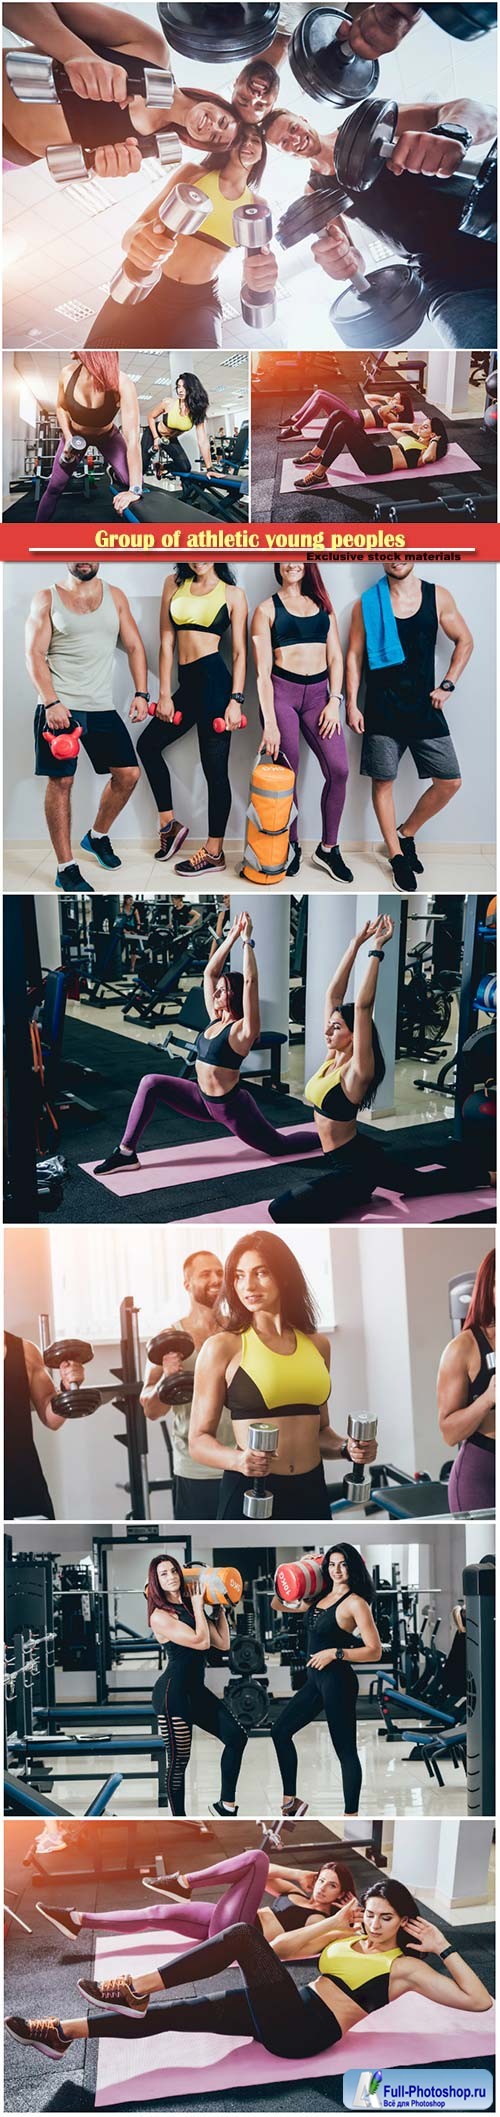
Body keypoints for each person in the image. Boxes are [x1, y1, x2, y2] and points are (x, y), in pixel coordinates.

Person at [11, 1877, 491, 2056]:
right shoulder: (354, 1932)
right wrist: (337, 1924)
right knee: (177, 2013)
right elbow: (280, 1951)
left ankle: (136, 1985)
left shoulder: (405, 1967)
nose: (375, 1923)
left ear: (406, 1921)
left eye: (387, 1918)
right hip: (284, 2007)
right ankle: (61, 2033)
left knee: (241, 1936)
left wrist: (445, 1946)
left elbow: (479, 2001)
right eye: (370, 1913)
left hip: (305, 2031)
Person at [94, 911, 319, 1178]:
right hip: (200, 1099)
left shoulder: (243, 1030)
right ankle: (125, 1152)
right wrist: (232, 936)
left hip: (231, 1108)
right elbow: (209, 972)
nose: (215, 992)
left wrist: (247, 942)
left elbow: (250, 982)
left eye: (223, 990)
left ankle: (326, 1137)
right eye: (218, 989)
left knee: (279, 1146)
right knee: (150, 1082)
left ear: (235, 995)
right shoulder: (214, 1018)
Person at [189, 1232, 377, 1522]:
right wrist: (239, 1460)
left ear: (285, 1276)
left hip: (311, 1489)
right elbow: (198, 1441)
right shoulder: (223, 1346)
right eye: (239, 1276)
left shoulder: (317, 1345)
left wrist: (346, 1448)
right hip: (251, 1490)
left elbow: (320, 1430)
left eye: (260, 1273)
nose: (247, 1286)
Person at [85, 126, 278, 350]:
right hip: (149, 286)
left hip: (198, 303)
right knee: (100, 354)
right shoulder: (193, 174)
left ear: (262, 152)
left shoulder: (257, 206)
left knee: (202, 360)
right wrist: (137, 243)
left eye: (255, 141)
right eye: (241, 139)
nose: (247, 144)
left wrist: (262, 281)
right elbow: (135, 229)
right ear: (228, 144)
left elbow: (256, 270)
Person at [346, 558, 471, 893]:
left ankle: (407, 832)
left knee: (450, 781)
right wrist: (351, 703)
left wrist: (448, 684)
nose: (396, 556)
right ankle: (397, 855)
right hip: (381, 708)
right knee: (383, 782)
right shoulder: (368, 604)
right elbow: (354, 656)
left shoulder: (437, 597)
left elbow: (465, 640)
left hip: (423, 706)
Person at [25, 559, 148, 893]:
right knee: (62, 781)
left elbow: (135, 646)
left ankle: (96, 836)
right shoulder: (47, 598)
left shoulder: (116, 596)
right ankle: (66, 868)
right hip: (60, 706)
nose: (84, 557)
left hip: (101, 707)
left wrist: (141, 692)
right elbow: (34, 654)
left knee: (128, 774)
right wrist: (51, 701)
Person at [3, 5, 239, 171]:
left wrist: (98, 165)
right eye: (223, 121)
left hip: (10, 155)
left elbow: (82, 161)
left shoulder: (146, 147)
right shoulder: (151, 48)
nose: (212, 128)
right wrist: (77, 54)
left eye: (214, 138)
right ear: (217, 102)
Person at [270, 914, 392, 1225]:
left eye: (335, 1027)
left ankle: (488, 1176)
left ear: (355, 1035)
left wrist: (376, 950)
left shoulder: (357, 1071)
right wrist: (354, 944)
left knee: (281, 1210)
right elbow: (333, 996)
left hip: (354, 1165)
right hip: (351, 1154)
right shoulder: (331, 1057)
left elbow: (363, 1006)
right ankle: (356, 1193)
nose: (327, 1031)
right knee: (417, 1181)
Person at [135, 560, 247, 873]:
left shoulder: (234, 595)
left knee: (215, 771)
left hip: (215, 685)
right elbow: (167, 641)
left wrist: (236, 700)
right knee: (148, 745)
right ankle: (169, 825)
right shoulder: (173, 583)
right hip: (185, 686)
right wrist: (164, 694)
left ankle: (214, 851)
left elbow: (238, 653)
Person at [251, 560, 351, 885]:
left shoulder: (323, 606)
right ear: (277, 565)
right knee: (287, 774)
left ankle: (328, 848)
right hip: (283, 695)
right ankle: (289, 844)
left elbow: (335, 656)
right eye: (285, 557)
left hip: (320, 698)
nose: (293, 562)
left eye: (299, 556)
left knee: (339, 770)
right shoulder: (266, 610)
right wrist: (269, 723)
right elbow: (262, 674)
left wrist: (335, 701)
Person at [272, 1544, 381, 1815]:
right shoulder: (319, 1596)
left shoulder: (356, 1603)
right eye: (332, 1564)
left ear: (352, 1567)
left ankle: (351, 1814)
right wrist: (297, 1570)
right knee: (280, 1731)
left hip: (338, 1682)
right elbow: (278, 1603)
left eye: (343, 1564)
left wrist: (336, 1653)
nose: (337, 1570)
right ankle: (290, 1802)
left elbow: (374, 1651)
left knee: (344, 1750)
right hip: (314, 1682)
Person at [146, 1554, 247, 1818]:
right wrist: (199, 1606)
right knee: (179, 1763)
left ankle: (226, 1806)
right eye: (163, 1574)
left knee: (237, 1738)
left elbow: (223, 1643)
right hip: (172, 1694)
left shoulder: (192, 1606)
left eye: (173, 1571)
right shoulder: (160, 1616)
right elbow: (201, 1642)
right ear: (156, 1582)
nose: (171, 1577)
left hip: (196, 1691)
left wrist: (220, 1608)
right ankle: (179, 1820)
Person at [140, 1248, 234, 1520]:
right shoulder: (169, 1337)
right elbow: (151, 1409)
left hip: (240, 1463)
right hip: (196, 1469)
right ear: (187, 1284)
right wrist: (167, 1380)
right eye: (206, 1274)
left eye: (220, 1273)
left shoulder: (238, 1332)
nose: (216, 1279)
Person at [37, 1844, 272, 1947]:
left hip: (240, 1932)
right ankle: (77, 1920)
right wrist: (301, 1877)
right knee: (156, 1912)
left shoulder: (310, 1918)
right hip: (226, 1918)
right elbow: (270, 1877)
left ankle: (183, 1883)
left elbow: (299, 1943)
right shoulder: (299, 1890)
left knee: (257, 1858)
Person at [36, 352, 143, 522]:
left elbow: (132, 438)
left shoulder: (122, 382)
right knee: (55, 487)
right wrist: (69, 437)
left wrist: (135, 489)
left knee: (132, 481)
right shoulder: (67, 373)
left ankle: (115, 473)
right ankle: (33, 534)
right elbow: (61, 408)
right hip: (75, 437)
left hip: (107, 437)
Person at [438, 1249, 495, 1513]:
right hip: (483, 1473)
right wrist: (488, 1399)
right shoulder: (463, 1347)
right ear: (490, 1289)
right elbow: (449, 1432)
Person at [4, 1331, 75, 1519]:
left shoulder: (24, 1351)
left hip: (22, 1481)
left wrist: (69, 1388)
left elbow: (51, 1417)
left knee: (37, 1546)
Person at [294, 408, 449, 491]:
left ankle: (319, 474)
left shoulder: (426, 450)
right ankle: (316, 454)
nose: (422, 426)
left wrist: (435, 440)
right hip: (374, 452)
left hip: (375, 464)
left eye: (426, 426)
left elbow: (428, 458)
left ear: (433, 434)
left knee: (344, 427)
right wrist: (410, 426)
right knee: (339, 415)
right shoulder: (411, 439)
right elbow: (391, 426)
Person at [278, 381, 419, 443]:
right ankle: (296, 418)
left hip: (353, 420)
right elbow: (367, 397)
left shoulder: (394, 420)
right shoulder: (389, 407)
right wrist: (385, 398)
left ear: (402, 406)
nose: (393, 400)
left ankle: (296, 429)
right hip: (352, 412)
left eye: (396, 399)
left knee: (320, 398)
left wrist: (393, 407)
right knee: (320, 392)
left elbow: (382, 411)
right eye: (393, 397)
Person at [257, 1856, 359, 1940]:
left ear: (341, 1894)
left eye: (332, 1885)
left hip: (253, 1933)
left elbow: (351, 1936)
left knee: (254, 1857)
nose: (322, 1888)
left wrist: (355, 1914)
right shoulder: (294, 1892)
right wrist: (298, 1874)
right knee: (254, 1860)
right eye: (321, 1880)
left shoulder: (319, 1920)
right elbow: (259, 1871)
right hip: (247, 1917)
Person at [143, 371, 213, 483]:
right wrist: (156, 438)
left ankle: (161, 467)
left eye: (184, 387)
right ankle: (129, 485)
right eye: (178, 386)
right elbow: (151, 417)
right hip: (153, 433)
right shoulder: (168, 403)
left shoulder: (196, 411)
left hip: (169, 439)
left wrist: (210, 468)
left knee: (185, 467)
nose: (180, 390)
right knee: (143, 465)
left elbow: (203, 440)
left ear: (192, 388)